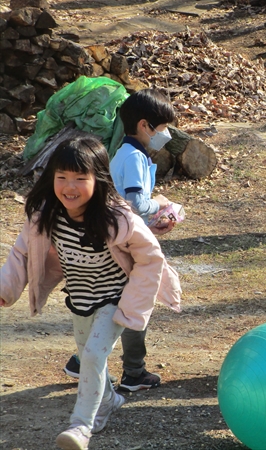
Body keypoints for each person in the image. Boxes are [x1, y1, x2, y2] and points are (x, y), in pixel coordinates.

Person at [0, 137, 181, 449]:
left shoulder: (118, 217)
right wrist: (5, 290)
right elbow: (22, 254)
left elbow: (150, 258)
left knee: (94, 356)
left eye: (80, 179)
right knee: (88, 358)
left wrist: (133, 308)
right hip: (80, 299)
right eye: (62, 178)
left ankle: (80, 426)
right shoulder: (47, 215)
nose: (70, 187)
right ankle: (109, 400)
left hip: (115, 297)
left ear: (99, 179)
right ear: (51, 178)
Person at [64, 88, 177, 392]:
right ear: (144, 125)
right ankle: (134, 372)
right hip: (126, 247)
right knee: (134, 305)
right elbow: (136, 203)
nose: (165, 134)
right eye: (162, 128)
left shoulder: (124, 152)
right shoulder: (135, 157)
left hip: (114, 238)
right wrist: (163, 207)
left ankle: (80, 359)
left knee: (106, 303)